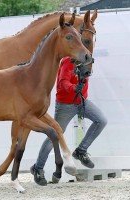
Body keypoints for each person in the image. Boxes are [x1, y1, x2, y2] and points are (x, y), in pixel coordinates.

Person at [30, 56, 107, 186]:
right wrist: (74, 88)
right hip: (66, 105)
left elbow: (85, 77)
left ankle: (80, 151)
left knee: (101, 120)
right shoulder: (67, 61)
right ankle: (38, 168)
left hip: (82, 101)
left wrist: (83, 79)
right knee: (54, 135)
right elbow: (62, 81)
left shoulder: (87, 60)